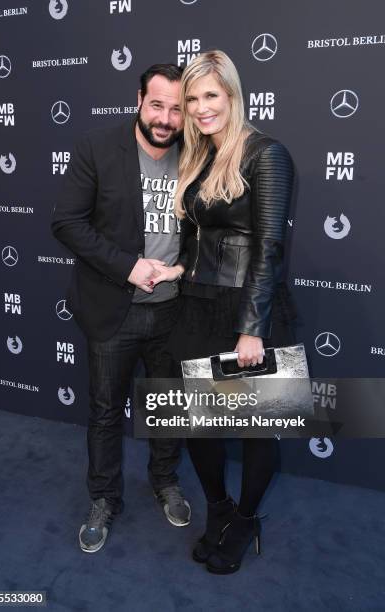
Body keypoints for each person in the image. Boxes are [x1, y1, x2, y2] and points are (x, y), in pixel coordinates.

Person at [152, 50, 296, 574]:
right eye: (191, 98)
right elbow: (199, 238)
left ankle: (247, 519)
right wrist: (177, 272)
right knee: (199, 425)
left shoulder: (267, 154)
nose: (199, 107)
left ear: (232, 96)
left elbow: (269, 246)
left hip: (247, 307)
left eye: (210, 95)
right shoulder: (198, 159)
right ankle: (219, 510)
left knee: (258, 428)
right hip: (196, 305)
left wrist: (252, 330)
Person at [51, 63, 191, 554]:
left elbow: (213, 228)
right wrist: (128, 266)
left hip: (175, 310)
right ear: (138, 100)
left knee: (169, 407)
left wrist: (185, 269)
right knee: (107, 412)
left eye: (177, 108)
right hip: (115, 307)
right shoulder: (97, 147)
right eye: (157, 105)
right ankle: (104, 498)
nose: (166, 118)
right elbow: (66, 222)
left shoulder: (198, 154)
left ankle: (165, 481)